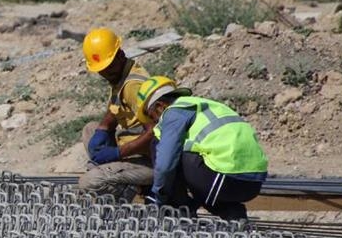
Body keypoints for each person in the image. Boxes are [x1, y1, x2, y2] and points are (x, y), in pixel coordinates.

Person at [136, 76, 269, 220]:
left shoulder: (174, 112)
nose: (155, 122)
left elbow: (165, 165)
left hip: (223, 180)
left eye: (153, 117)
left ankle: (178, 209)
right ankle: (231, 212)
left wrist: (158, 196)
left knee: (160, 143)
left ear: (160, 106)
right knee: (199, 160)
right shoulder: (206, 106)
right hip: (253, 184)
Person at [77, 28, 154, 201]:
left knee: (89, 182)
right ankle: (114, 172)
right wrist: (104, 128)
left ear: (120, 54)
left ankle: (135, 191)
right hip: (131, 148)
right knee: (91, 129)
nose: (105, 73)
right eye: (101, 70)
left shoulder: (134, 86)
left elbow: (155, 133)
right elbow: (115, 108)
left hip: (150, 159)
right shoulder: (120, 75)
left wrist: (118, 153)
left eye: (109, 68)